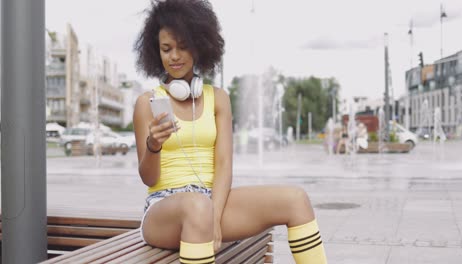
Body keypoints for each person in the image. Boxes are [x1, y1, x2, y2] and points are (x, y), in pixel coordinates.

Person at [133, 0, 327, 263]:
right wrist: (153, 145)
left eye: (183, 46)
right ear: (156, 52)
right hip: (161, 212)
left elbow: (224, 165)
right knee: (196, 206)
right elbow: (148, 178)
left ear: (200, 46)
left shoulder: (219, 98)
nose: (174, 56)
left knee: (296, 199)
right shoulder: (147, 102)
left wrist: (214, 216)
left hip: (210, 203)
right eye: (166, 49)